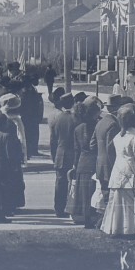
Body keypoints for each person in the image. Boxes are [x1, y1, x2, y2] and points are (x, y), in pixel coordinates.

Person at [100, 105, 135, 238]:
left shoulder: (119, 136)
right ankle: (132, 229)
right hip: (132, 171)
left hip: (119, 170)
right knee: (133, 202)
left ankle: (117, 228)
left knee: (118, 202)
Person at [71, 99, 103, 228]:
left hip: (82, 163)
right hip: (94, 162)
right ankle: (94, 219)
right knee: (94, 193)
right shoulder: (98, 126)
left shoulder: (78, 128)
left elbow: (76, 150)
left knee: (84, 194)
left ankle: (86, 219)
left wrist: (75, 165)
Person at [0, 95, 27, 218]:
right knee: (11, 182)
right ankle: (10, 205)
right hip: (10, 159)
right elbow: (21, 140)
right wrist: (22, 156)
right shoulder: (16, 122)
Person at [48, 89, 77, 218]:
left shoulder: (57, 118)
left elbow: (52, 140)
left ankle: (58, 208)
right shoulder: (75, 119)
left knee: (60, 182)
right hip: (71, 153)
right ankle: (67, 207)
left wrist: (54, 156)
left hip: (60, 153)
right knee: (70, 182)